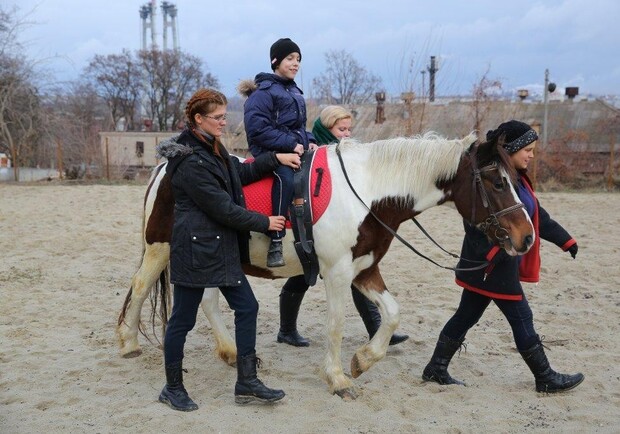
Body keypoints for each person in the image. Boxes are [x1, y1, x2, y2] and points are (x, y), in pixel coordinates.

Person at [155, 88, 301, 411]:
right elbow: (223, 208)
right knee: (183, 320)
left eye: (225, 116)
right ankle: (172, 387)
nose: (224, 122)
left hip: (220, 248)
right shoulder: (189, 160)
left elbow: (240, 173)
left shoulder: (212, 146)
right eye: (218, 117)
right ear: (198, 119)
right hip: (196, 250)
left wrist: (274, 159)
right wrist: (266, 222)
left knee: (247, 306)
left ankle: (246, 382)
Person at [422, 120, 584, 393]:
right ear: (511, 150)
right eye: (527, 150)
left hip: (492, 265)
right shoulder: (490, 180)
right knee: (522, 316)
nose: (531, 155)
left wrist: (565, 240)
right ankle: (545, 377)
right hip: (490, 265)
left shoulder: (515, 180)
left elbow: (536, 216)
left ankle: (436, 368)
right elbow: (475, 222)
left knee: (465, 315)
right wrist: (496, 251)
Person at [312, 105, 410, 346]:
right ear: (327, 128)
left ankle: (376, 328)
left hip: (342, 233)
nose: (346, 134)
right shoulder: (317, 151)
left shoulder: (348, 153)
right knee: (298, 280)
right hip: (321, 228)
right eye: (340, 129)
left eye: (348, 129)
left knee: (357, 273)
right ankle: (286, 328)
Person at [242, 37, 318, 268]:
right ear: (276, 61)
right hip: (269, 152)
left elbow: (297, 127)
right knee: (284, 176)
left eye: (298, 59)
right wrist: (290, 144)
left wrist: (311, 140)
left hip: (291, 147)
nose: (295, 63)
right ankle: (275, 239)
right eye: (290, 59)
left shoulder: (293, 91)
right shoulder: (263, 93)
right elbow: (258, 129)